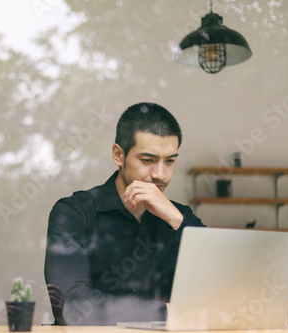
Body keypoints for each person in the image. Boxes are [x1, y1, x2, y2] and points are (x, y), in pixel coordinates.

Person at [44, 102, 205, 325]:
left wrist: (178, 220)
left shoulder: (179, 217)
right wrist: (166, 313)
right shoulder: (75, 213)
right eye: (148, 160)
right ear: (119, 155)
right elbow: (72, 305)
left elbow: (220, 291)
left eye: (170, 161)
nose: (160, 174)